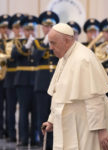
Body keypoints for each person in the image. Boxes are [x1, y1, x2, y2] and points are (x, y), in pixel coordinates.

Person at [41, 23, 108, 150]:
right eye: (50, 43)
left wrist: (101, 130)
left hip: (88, 124)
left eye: (53, 43)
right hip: (70, 122)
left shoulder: (83, 58)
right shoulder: (64, 57)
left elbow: (94, 98)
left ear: (67, 41)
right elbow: (58, 93)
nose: (51, 48)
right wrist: (52, 120)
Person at [11, 15, 39, 146]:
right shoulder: (18, 42)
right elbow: (14, 56)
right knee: (23, 111)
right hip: (22, 80)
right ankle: (23, 138)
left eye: (32, 29)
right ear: (24, 30)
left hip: (37, 80)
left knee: (36, 111)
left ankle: (35, 137)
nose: (30, 32)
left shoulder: (39, 43)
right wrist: (26, 46)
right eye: (27, 30)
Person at [33, 10, 59, 150]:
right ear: (42, 28)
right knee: (42, 114)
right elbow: (35, 57)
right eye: (46, 26)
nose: (48, 29)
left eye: (51, 26)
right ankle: (43, 143)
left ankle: (55, 144)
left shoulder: (59, 43)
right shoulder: (37, 42)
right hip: (42, 84)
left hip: (57, 85)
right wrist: (44, 43)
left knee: (56, 115)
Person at [3, 13, 24, 143]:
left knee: (24, 108)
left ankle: (25, 135)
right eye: (15, 28)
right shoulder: (8, 43)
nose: (18, 30)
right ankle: (11, 134)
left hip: (23, 78)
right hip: (10, 77)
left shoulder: (29, 42)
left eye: (20, 27)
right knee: (10, 108)